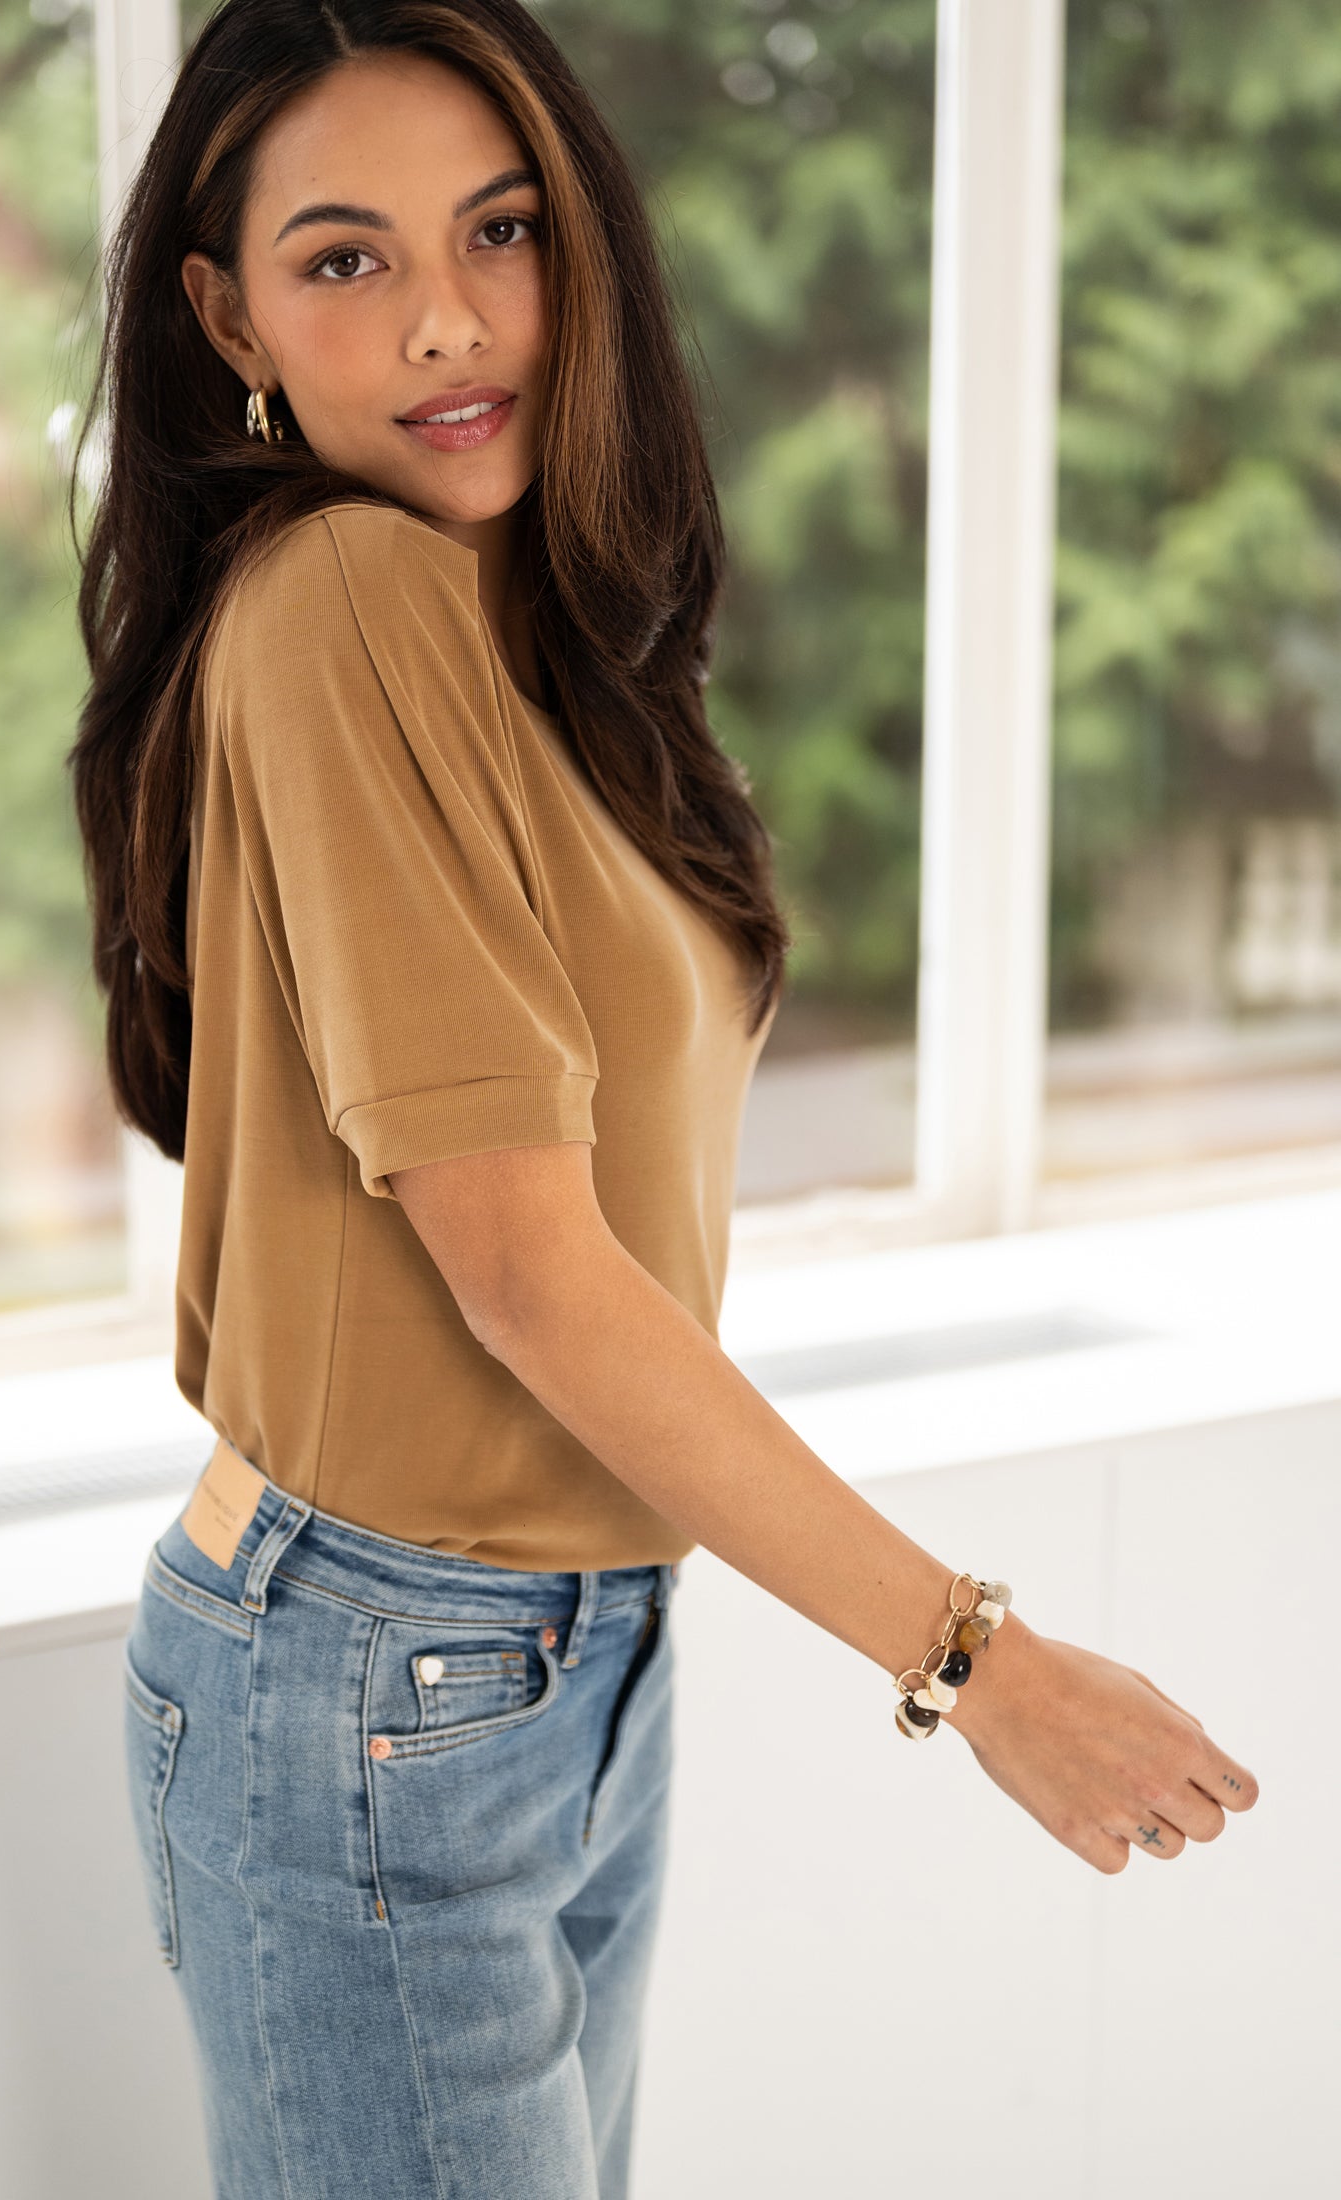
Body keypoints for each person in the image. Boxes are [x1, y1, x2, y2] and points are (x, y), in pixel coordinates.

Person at [67, 1, 1260, 2191]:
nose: (449, 315)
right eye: (346, 260)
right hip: (379, 1672)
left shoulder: (498, 619)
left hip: (550, 1651)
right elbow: (527, 1264)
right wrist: (981, 1662)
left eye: (500, 228)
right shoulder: (339, 596)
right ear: (223, 312)